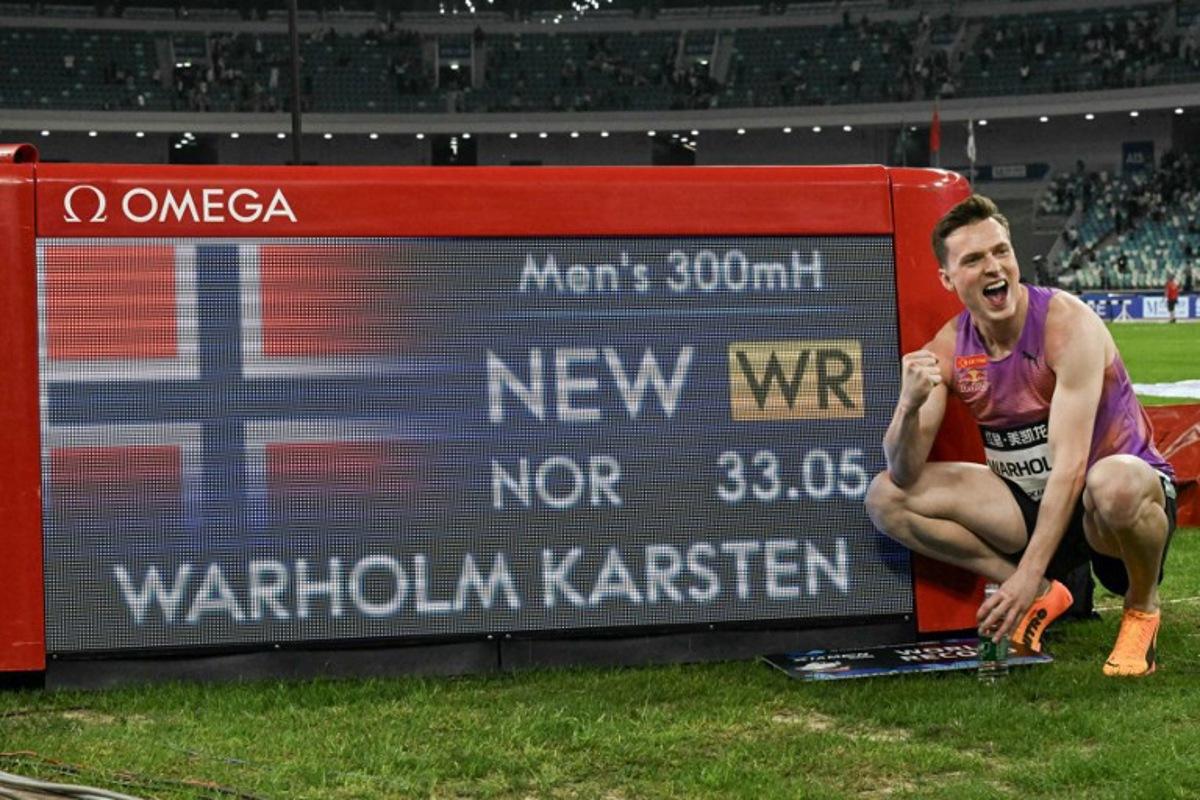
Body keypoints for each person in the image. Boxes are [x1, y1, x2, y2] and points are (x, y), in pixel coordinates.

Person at [866, 194, 1177, 678]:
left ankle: (1142, 608)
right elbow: (904, 472)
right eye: (973, 259)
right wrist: (907, 406)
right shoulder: (950, 347)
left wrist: (1033, 564)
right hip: (1030, 503)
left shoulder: (1065, 324)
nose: (994, 267)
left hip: (1110, 506)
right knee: (885, 497)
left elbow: (1071, 466)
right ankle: (1036, 595)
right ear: (948, 279)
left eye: (1001, 251)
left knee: (1110, 482)